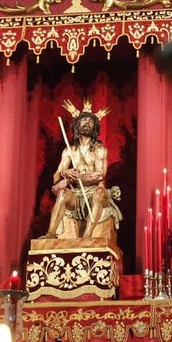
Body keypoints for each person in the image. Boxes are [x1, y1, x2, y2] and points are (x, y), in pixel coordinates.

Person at [44, 101, 122, 241]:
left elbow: (99, 175)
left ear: (95, 128)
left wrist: (71, 178)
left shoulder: (100, 150)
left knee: (99, 192)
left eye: (90, 121)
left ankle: (87, 235)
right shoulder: (69, 151)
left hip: (94, 193)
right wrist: (64, 173)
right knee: (62, 194)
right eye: (83, 120)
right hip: (76, 194)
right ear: (76, 126)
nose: (87, 123)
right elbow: (56, 178)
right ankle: (50, 234)